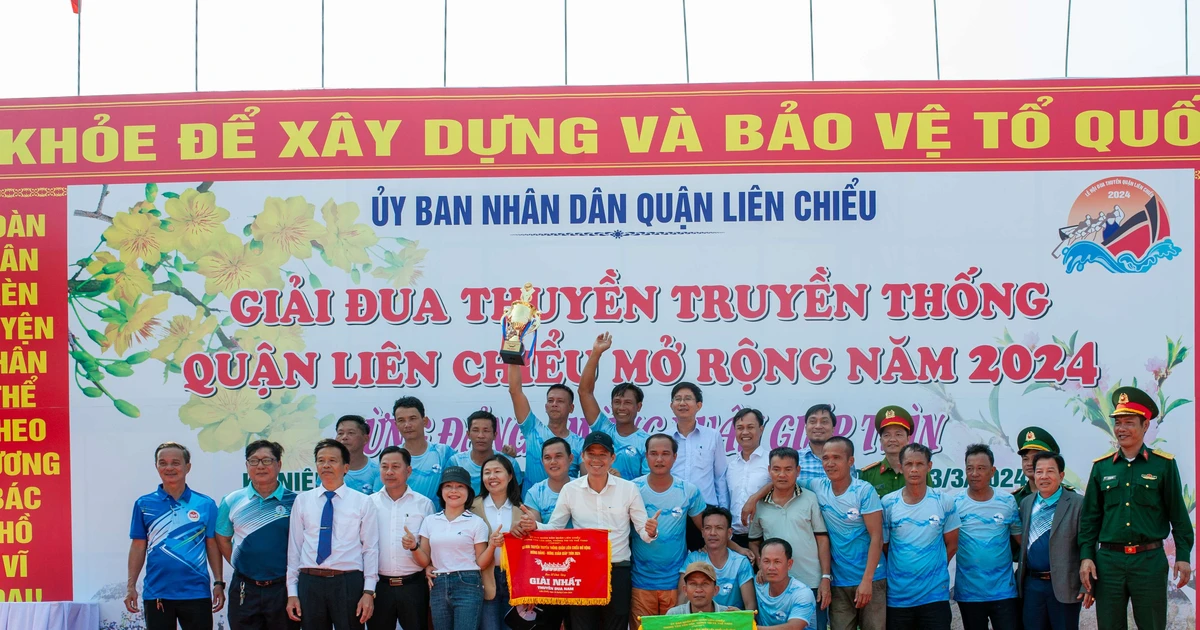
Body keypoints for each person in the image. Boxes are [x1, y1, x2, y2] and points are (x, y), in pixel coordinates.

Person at [516, 431, 660, 630]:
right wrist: (536, 526)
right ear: (583, 457)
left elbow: (643, 532)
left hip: (617, 570)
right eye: (591, 454)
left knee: (615, 626)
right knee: (582, 626)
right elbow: (555, 528)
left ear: (612, 458)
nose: (596, 459)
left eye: (603, 454)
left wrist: (651, 531)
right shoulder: (570, 490)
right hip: (583, 572)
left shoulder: (628, 489)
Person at [1078, 386, 1193, 630]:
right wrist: (1087, 556)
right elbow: (1090, 519)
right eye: (1118, 423)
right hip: (1108, 562)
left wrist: (1183, 556)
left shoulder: (1164, 466)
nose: (1121, 429)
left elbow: (1178, 516)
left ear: (1145, 426)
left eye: (1129, 422)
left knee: (1152, 625)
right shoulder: (1102, 468)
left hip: (1148, 560)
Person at [125, 442, 225, 630]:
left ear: (188, 467)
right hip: (157, 594)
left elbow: (212, 545)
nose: (169, 468)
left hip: (196, 593)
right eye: (163, 463)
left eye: (175, 463)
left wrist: (219, 582)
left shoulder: (205, 504)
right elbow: (138, 547)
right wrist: (131, 587)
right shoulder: (144, 504)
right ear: (156, 467)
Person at [285, 439, 379, 630]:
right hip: (310, 581)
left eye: (332, 460)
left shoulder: (363, 502)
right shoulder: (302, 500)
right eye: (321, 460)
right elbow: (294, 549)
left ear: (345, 467)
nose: (326, 465)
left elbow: (370, 549)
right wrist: (292, 592)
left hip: (348, 583)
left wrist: (369, 591)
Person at [804, 436, 885, 630]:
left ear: (850, 461)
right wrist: (754, 499)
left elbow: (877, 537)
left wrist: (866, 581)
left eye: (836, 458)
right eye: (825, 458)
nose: (830, 463)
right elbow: (784, 479)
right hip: (838, 582)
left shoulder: (864, 491)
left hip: (871, 580)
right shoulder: (818, 486)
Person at [216, 440, 298, 630]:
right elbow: (222, 538)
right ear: (247, 466)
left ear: (279, 464)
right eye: (254, 461)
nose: (260, 466)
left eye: (267, 460)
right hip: (244, 589)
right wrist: (240, 563)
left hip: (283, 589)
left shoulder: (295, 501)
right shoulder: (232, 500)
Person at [631, 433, 708, 626]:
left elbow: (706, 529)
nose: (659, 459)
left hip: (676, 583)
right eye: (653, 453)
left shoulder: (688, 491)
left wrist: (737, 548)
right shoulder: (631, 489)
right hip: (640, 581)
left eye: (665, 453)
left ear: (675, 457)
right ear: (646, 456)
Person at [749, 447, 830, 630]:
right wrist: (762, 564)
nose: (782, 475)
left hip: (811, 582)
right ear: (769, 470)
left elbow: (822, 540)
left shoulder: (810, 499)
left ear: (798, 471)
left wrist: (825, 577)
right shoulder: (760, 505)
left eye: (788, 469)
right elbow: (753, 541)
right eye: (776, 469)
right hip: (776, 585)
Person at [881, 443, 959, 630]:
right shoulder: (888, 503)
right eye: (908, 464)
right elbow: (884, 546)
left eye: (919, 464)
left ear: (929, 466)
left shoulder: (944, 501)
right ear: (900, 467)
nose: (914, 469)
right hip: (898, 598)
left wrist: (934, 568)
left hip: (935, 596)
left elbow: (952, 544)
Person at [412, 466, 499, 630]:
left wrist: (492, 545)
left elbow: (481, 563)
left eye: (460, 486)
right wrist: (413, 547)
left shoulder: (476, 522)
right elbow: (424, 560)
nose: (454, 491)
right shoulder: (430, 521)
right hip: (438, 584)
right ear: (441, 491)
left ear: (468, 492)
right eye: (448, 486)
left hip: (468, 583)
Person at [952, 444, 1021, 630]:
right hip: (969, 592)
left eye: (981, 468)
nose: (975, 473)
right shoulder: (955, 504)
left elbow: (1022, 541)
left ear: (992, 471)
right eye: (970, 468)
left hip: (1003, 591)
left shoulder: (1007, 502)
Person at [1018, 452, 1087, 630]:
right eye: (1039, 471)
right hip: (1032, 586)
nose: (1044, 476)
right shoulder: (1026, 503)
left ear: (1061, 475)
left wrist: (1087, 586)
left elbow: (1088, 545)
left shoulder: (1077, 503)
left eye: (1050, 471)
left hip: (1065, 585)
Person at [369, 446, 435, 630]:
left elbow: (430, 547)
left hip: (413, 586)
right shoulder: (369, 503)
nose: (389, 472)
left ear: (408, 471)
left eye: (395, 466)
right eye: (384, 466)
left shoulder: (424, 504)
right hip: (379, 587)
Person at [579, 332, 650, 480]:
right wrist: (596, 353)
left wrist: (620, 483)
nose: (621, 407)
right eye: (617, 402)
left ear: (639, 406)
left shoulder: (647, 442)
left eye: (628, 403)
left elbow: (648, 482)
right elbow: (584, 392)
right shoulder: (603, 429)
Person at [669, 381, 729, 551]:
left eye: (688, 399)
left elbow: (720, 476)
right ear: (671, 405)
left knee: (705, 565)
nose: (682, 403)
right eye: (678, 399)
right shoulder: (664, 439)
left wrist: (723, 513)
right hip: (673, 512)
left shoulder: (712, 436)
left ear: (699, 405)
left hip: (705, 512)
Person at [507, 364, 583, 494]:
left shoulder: (580, 443)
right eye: (550, 400)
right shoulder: (532, 429)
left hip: (567, 510)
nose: (554, 404)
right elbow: (515, 391)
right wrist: (513, 355)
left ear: (571, 408)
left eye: (560, 401)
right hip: (531, 509)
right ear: (546, 406)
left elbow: (587, 480)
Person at [472, 455, 527, 630]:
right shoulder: (472, 508)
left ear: (510, 476)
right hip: (484, 580)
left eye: (497, 471)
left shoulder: (522, 509)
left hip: (515, 583)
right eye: (487, 472)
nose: (492, 476)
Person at [678, 506, 756, 611]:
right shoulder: (693, 559)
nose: (712, 533)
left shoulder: (740, 562)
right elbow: (682, 601)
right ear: (702, 532)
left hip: (730, 623)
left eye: (719, 528)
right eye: (708, 528)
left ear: (729, 533)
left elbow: (750, 606)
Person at [393, 396, 456, 503]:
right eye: (401, 420)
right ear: (396, 425)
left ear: (425, 421)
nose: (407, 425)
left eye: (412, 419)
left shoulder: (444, 453)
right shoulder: (392, 457)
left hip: (437, 519)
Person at [859, 406, 929, 497]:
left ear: (908, 439)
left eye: (898, 434)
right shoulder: (868, 474)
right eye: (887, 435)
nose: (892, 439)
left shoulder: (920, 471)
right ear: (881, 440)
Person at [727, 408, 771, 551]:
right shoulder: (730, 466)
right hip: (735, 538)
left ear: (761, 429)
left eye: (750, 427)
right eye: (740, 428)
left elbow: (782, 484)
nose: (745, 432)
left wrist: (754, 498)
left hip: (765, 537)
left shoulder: (771, 461)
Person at [450, 409, 524, 491]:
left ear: (495, 435)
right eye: (475, 430)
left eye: (486, 431)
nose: (481, 436)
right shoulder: (456, 462)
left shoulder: (510, 463)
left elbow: (516, 495)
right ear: (468, 434)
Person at [755, 538, 818, 630]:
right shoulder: (758, 585)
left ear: (789, 564)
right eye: (766, 561)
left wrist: (751, 628)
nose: (771, 567)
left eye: (777, 562)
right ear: (760, 562)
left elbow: (793, 627)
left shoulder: (802, 593)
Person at [1013, 426, 1073, 506]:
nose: (1029, 463)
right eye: (1025, 459)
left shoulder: (1069, 496)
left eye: (1034, 458)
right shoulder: (1016, 498)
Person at [666, 562, 741, 615]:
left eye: (705, 584)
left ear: (715, 590)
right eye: (693, 584)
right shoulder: (674, 615)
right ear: (685, 590)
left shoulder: (729, 615)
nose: (698, 590)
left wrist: (740, 620)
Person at [337, 415, 382, 495]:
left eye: (351, 433)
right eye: (340, 433)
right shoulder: (329, 468)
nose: (344, 437)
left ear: (365, 439)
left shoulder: (377, 470)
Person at [799, 403, 836, 483]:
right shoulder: (794, 459)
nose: (818, 426)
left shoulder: (843, 460)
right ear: (805, 428)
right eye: (813, 422)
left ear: (833, 429)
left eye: (824, 422)